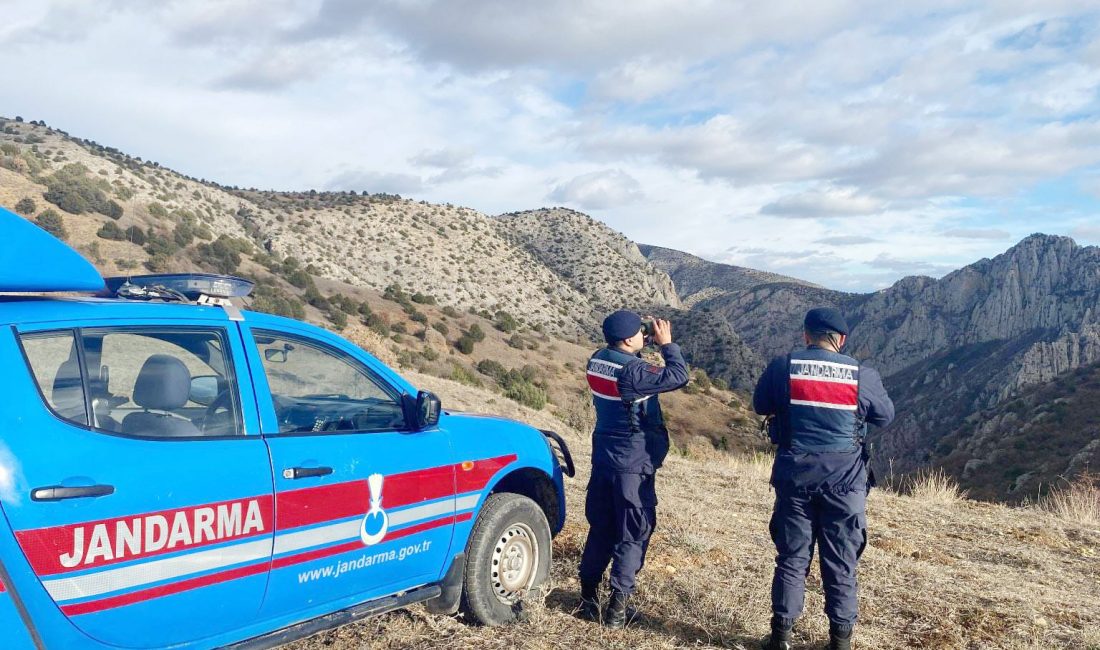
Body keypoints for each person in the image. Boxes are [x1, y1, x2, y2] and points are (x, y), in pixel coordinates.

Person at [753, 308, 895, 650]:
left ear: (806, 335)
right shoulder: (861, 374)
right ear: (841, 340)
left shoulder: (783, 367)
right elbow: (885, 416)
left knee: (792, 558)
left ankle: (780, 638)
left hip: (795, 479)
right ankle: (840, 642)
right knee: (841, 562)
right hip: (845, 485)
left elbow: (760, 405)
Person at [577, 310, 689, 628]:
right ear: (628, 339)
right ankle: (617, 609)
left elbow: (631, 365)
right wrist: (667, 345)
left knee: (602, 527)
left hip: (604, 458)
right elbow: (678, 375)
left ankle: (587, 597)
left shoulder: (598, 359)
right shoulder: (634, 372)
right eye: (639, 332)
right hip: (632, 463)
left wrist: (642, 342)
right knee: (633, 533)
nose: (645, 335)